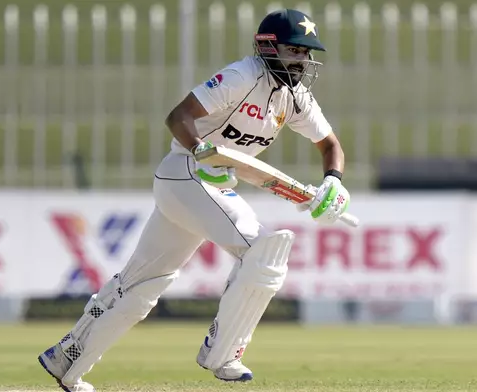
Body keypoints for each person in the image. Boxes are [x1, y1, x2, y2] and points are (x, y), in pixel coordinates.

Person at [37, 8, 352, 392]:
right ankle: (222, 353)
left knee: (140, 286)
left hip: (207, 185)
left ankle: (67, 359)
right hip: (186, 171)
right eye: (294, 51)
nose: (302, 60)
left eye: (306, 53)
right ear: (268, 48)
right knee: (266, 249)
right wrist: (202, 149)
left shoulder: (295, 97)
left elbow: (330, 145)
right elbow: (179, 117)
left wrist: (333, 180)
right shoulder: (241, 76)